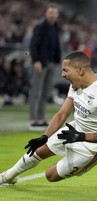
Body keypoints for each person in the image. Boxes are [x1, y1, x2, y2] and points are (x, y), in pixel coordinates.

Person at [0, 51, 97, 185]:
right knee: (38, 150)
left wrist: (80, 137)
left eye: (66, 70)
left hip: (91, 148)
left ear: (80, 70)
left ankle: (71, 160)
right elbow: (62, 114)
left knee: (50, 176)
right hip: (73, 131)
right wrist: (45, 137)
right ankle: (8, 176)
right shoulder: (76, 85)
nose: (63, 74)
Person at [29, 2, 62, 131]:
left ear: (57, 15)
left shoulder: (56, 27)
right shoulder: (40, 27)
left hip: (52, 63)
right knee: (35, 92)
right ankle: (33, 119)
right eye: (50, 13)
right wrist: (35, 60)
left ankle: (41, 118)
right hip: (41, 63)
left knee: (45, 93)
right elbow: (33, 46)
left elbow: (56, 45)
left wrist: (58, 60)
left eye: (54, 13)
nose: (52, 15)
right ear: (46, 13)